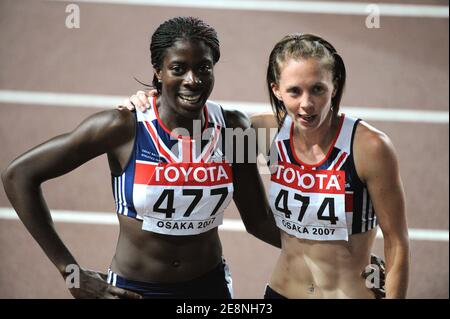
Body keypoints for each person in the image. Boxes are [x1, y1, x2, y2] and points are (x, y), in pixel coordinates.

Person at [1, 16, 280, 299]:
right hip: (132, 291)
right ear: (158, 71)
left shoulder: (233, 129)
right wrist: (70, 272)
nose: (193, 80)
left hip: (208, 289)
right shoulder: (122, 127)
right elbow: (19, 175)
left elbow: (258, 220)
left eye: (203, 68)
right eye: (178, 68)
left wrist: (322, 248)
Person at [125, 33, 408, 299]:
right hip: (279, 293)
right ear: (277, 90)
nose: (307, 104)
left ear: (335, 85)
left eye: (318, 89)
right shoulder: (261, 132)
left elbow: (397, 242)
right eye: (294, 91)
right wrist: (148, 102)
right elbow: (193, 132)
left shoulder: (369, 148)